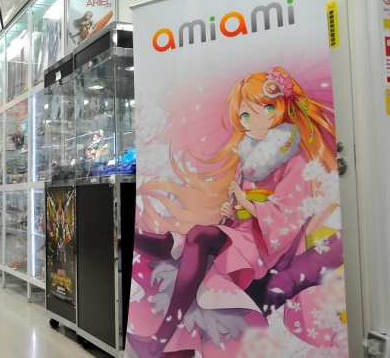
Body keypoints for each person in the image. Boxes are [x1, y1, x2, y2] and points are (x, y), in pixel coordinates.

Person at [127, 67, 345, 357]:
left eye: (261, 110)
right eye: (244, 116)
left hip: (269, 244)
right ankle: (172, 345)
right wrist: (231, 209)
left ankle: (159, 339)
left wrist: (246, 203)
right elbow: (239, 208)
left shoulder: (296, 161)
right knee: (192, 256)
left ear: (277, 109)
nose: (250, 122)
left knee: (199, 238)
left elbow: (288, 217)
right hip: (242, 233)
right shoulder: (248, 158)